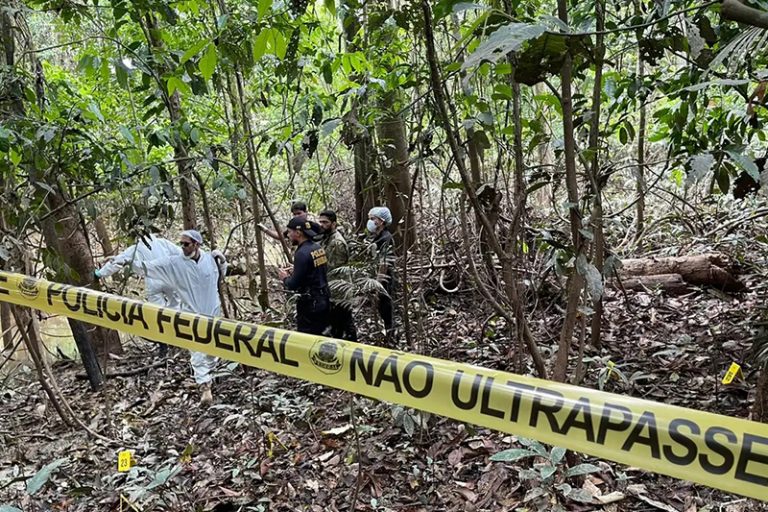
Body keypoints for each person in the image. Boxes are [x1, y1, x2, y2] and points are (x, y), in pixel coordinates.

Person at [141, 230, 226, 406]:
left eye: (186, 244)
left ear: (196, 244)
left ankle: (212, 374)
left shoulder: (210, 259)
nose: (183, 247)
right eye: (181, 244)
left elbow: (221, 276)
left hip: (212, 311)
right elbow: (150, 267)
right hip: (190, 313)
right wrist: (122, 262)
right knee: (196, 349)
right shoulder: (176, 262)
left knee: (212, 347)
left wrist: (222, 262)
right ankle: (205, 387)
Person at [94, 234, 183, 355]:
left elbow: (118, 261)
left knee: (158, 314)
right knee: (176, 307)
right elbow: (181, 254)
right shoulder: (163, 243)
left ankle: (164, 346)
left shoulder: (135, 248)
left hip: (152, 282)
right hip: (170, 279)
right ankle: (178, 338)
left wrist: (100, 273)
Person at [278, 217, 330, 335]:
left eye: (290, 232)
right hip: (324, 299)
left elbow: (293, 284)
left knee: (308, 338)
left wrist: (284, 277)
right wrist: (296, 270)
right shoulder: (317, 247)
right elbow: (316, 270)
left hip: (310, 304)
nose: (289, 235)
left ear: (298, 233)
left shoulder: (301, 253)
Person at [317, 210, 357, 341]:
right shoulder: (327, 238)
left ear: (333, 224)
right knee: (338, 326)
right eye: (321, 222)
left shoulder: (336, 242)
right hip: (332, 291)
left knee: (344, 325)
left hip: (339, 292)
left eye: (325, 222)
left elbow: (332, 269)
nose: (322, 225)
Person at [367, 206, 395, 337]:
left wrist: (377, 285)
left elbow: (384, 263)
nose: (370, 222)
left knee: (385, 307)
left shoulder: (386, 238)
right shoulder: (377, 237)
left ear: (381, 221)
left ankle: (391, 334)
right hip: (378, 277)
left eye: (373, 219)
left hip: (385, 279)